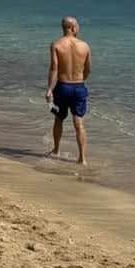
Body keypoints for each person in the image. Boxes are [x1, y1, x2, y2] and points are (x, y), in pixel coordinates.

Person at [46, 15, 91, 166]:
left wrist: (49, 89)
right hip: (78, 86)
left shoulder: (56, 45)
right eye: (77, 26)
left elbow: (54, 68)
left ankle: (56, 150)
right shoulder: (85, 46)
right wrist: (80, 81)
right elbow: (88, 69)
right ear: (73, 28)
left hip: (62, 87)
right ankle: (82, 159)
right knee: (79, 123)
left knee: (59, 119)